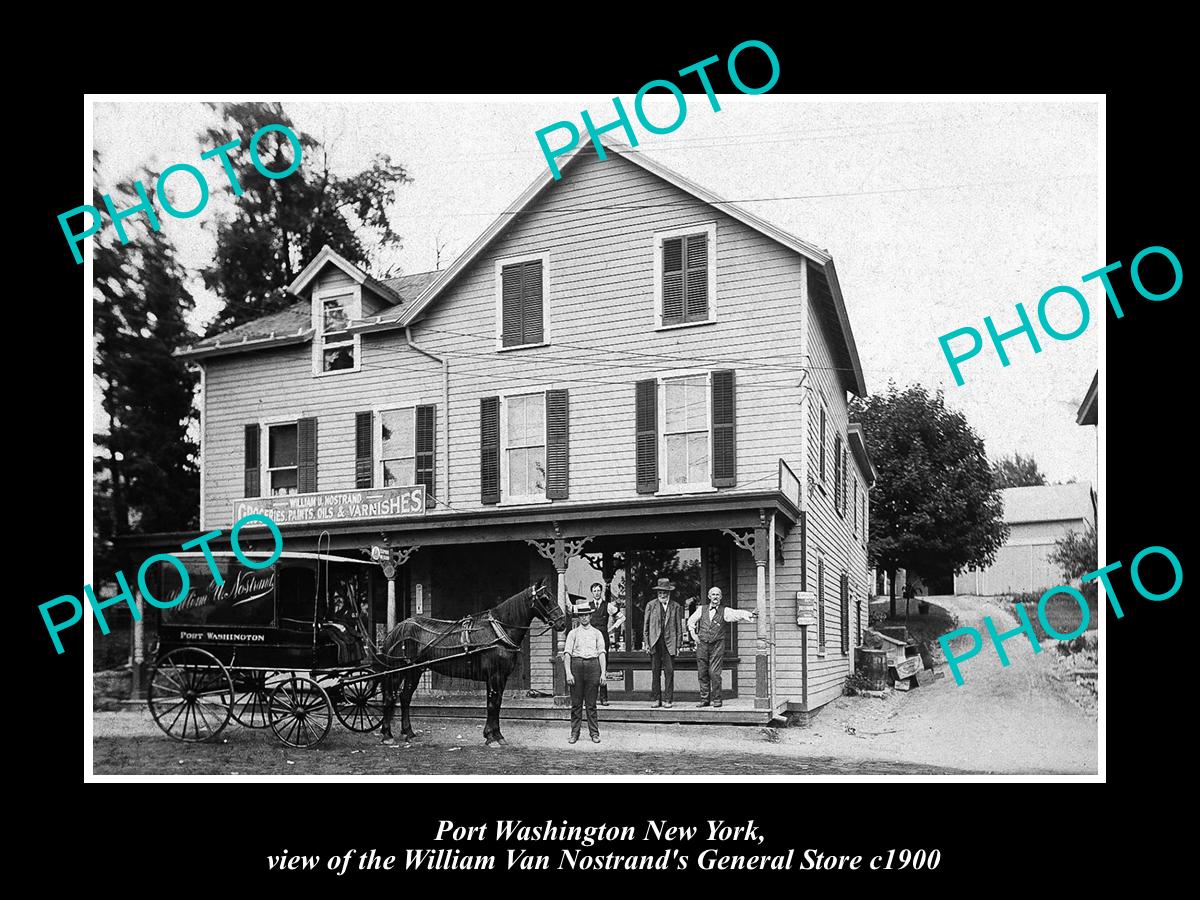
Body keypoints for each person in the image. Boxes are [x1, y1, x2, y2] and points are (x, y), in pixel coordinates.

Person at [687, 587, 756, 707]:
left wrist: (750, 614)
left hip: (717, 645)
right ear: (709, 596)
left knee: (714, 673)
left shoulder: (725, 611)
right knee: (702, 672)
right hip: (702, 644)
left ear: (720, 597)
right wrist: (694, 635)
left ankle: (717, 699)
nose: (715, 597)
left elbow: (736, 614)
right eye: (713, 594)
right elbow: (691, 621)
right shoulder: (701, 609)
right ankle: (705, 700)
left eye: (717, 595)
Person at [563, 610, 606, 743]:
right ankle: (574, 733)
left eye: (586, 615)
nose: (584, 617)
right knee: (576, 704)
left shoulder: (597, 633)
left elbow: (602, 654)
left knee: (591, 704)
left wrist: (603, 673)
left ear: (590, 616)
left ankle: (594, 733)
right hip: (577, 665)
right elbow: (567, 654)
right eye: (581, 615)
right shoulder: (573, 633)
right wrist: (568, 673)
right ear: (579, 617)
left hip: (593, 666)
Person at [642, 577, 683, 709]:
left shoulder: (675, 606)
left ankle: (668, 700)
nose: (662, 595)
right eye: (660, 593)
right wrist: (647, 643)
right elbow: (646, 626)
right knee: (655, 671)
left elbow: (679, 627)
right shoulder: (651, 605)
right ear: (657, 593)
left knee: (669, 672)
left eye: (665, 592)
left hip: (670, 643)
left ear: (669, 593)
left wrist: (678, 645)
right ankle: (656, 699)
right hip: (655, 642)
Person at [587, 582, 612, 706]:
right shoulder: (588, 605)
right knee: (591, 667)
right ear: (592, 592)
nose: (597, 593)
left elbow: (622, 617)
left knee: (603, 667)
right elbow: (572, 609)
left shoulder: (607, 605)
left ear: (601, 592)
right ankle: (591, 698)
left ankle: (604, 698)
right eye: (594, 591)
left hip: (603, 638)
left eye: (598, 590)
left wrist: (612, 628)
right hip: (591, 638)